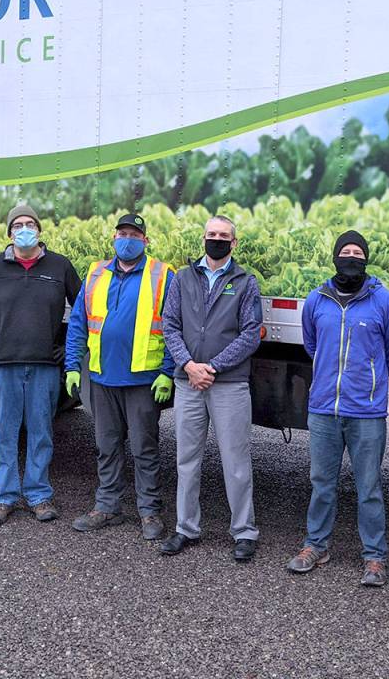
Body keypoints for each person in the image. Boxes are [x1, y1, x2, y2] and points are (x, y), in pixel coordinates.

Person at [285, 230, 389, 587]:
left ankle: (374, 557)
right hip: (324, 408)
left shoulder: (383, 301)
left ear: (365, 259)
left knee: (368, 487)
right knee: (321, 483)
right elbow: (312, 344)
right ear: (335, 257)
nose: (351, 257)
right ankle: (316, 545)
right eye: (345, 252)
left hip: (366, 412)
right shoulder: (317, 300)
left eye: (357, 252)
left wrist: (369, 378)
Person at [0, 204, 79, 526]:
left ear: (39, 230)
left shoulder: (59, 267)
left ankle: (38, 495)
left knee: (41, 434)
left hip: (43, 367)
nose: (25, 229)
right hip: (1, 366)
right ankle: (4, 496)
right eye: (18, 225)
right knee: (4, 434)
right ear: (9, 232)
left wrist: (67, 347)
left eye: (30, 224)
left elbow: (83, 310)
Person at [64, 213, 175, 541]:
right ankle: (107, 506)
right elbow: (79, 323)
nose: (127, 239)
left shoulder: (163, 275)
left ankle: (149, 511)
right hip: (102, 377)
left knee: (145, 448)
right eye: (122, 233)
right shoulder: (97, 272)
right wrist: (72, 365)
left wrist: (168, 372)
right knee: (107, 446)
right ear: (114, 238)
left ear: (145, 240)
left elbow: (173, 327)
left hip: (143, 379)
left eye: (134, 234)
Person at [159, 215, 262, 561]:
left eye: (223, 236)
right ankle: (185, 528)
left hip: (228, 384)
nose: (216, 240)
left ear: (234, 243)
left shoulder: (246, 282)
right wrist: (189, 365)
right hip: (188, 382)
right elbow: (170, 325)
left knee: (236, 460)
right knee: (186, 460)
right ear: (203, 239)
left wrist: (212, 367)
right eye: (211, 235)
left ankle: (244, 532)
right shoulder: (183, 278)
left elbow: (250, 334)